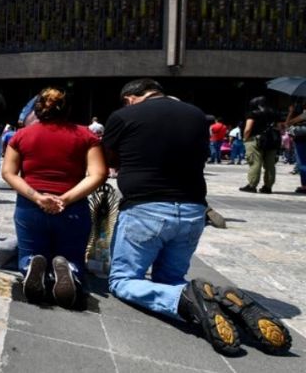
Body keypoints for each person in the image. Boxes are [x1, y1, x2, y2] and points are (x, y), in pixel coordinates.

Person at [103, 79, 291, 356]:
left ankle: (188, 298)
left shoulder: (124, 115)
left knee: (123, 280)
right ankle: (219, 303)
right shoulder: (195, 115)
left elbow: (108, 158)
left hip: (146, 209)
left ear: (131, 97)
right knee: (170, 278)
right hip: (192, 211)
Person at [1, 87, 106, 308]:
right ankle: (70, 269)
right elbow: (99, 174)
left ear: (37, 110)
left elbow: (8, 173)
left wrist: (38, 197)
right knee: (72, 253)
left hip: (30, 207)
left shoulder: (21, 136)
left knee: (29, 250)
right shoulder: (87, 135)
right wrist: (65, 199)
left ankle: (31, 266)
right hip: (72, 208)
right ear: (68, 109)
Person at [239, 96, 280, 194]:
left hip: (255, 140)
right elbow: (279, 127)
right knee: (270, 165)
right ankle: (268, 187)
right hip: (272, 141)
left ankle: (252, 185)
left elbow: (248, 128)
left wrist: (245, 138)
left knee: (255, 162)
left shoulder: (253, 113)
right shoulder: (274, 113)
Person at [285, 102, 306, 194]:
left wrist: (291, 112)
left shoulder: (304, 114)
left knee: (303, 163)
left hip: (302, 140)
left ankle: (304, 186)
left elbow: (288, 123)